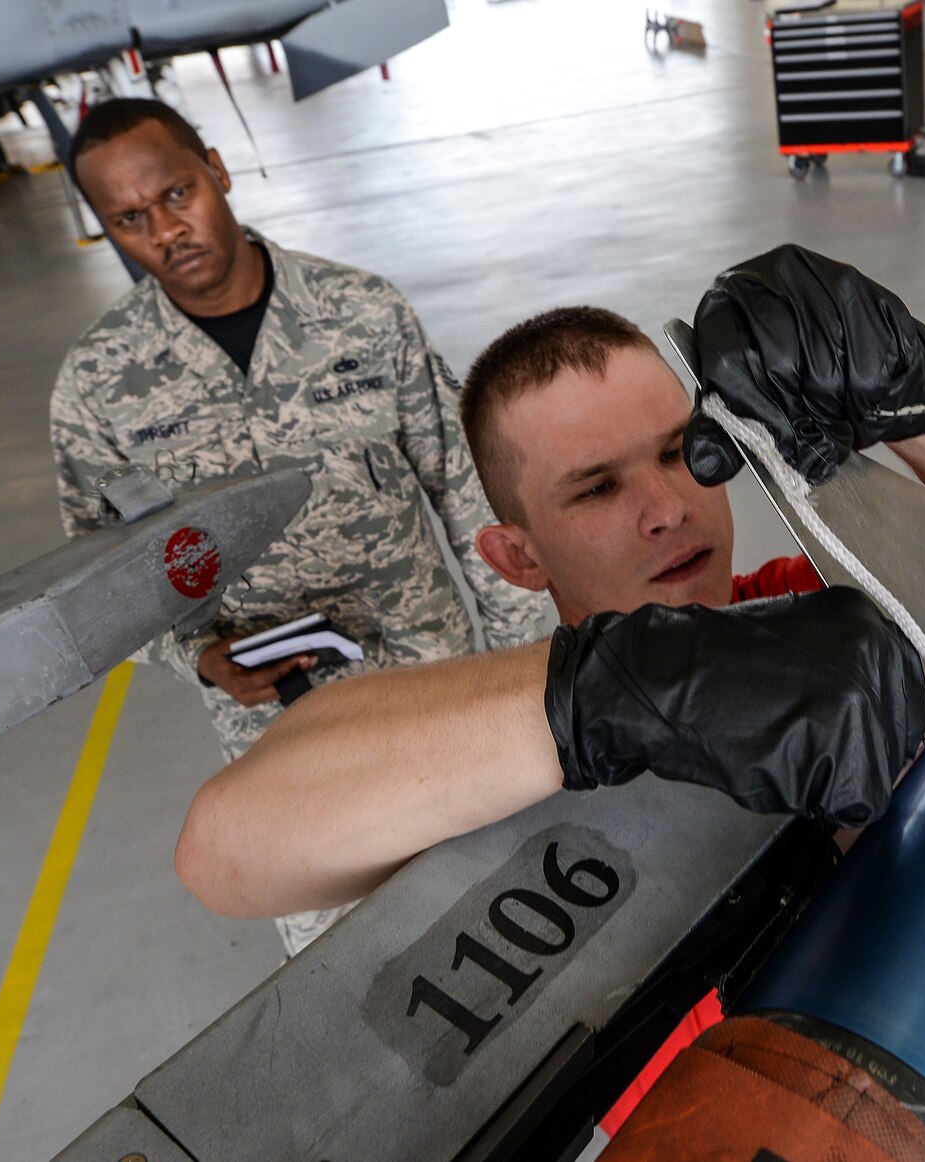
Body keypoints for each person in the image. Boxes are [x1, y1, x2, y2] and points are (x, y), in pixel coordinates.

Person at [173, 244, 925, 919]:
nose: (668, 507)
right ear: (516, 557)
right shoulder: (485, 749)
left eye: (676, 452)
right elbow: (223, 852)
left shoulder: (811, 613)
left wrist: (915, 385)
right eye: (597, 488)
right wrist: (619, 693)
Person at [49, 98, 550, 955]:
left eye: (176, 194)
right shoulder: (98, 386)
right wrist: (198, 660)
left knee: (504, 916)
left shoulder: (362, 312)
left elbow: (467, 492)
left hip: (433, 690)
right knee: (346, 963)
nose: (166, 230)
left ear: (217, 167)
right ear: (104, 229)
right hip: (279, 730)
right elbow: (103, 583)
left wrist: (522, 674)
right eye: (129, 219)